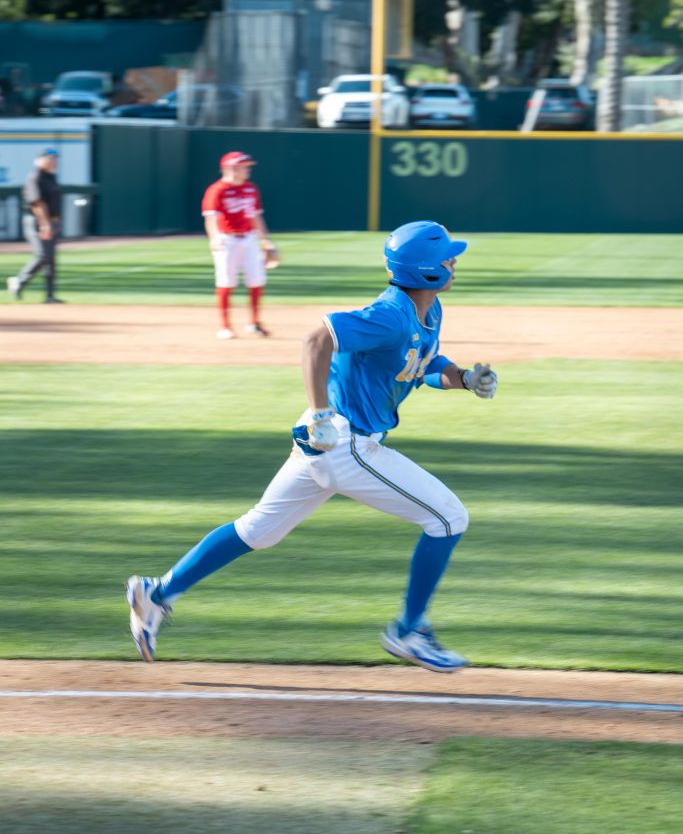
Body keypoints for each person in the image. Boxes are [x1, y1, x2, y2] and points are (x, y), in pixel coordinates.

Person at [126, 220, 498, 672]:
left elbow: (418, 362)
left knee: (259, 530)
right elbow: (317, 339)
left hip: (329, 442)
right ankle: (408, 631)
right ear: (424, 270)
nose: (453, 262)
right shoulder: (390, 315)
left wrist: (462, 378)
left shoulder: (428, 311)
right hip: (346, 443)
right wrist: (321, 411)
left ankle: (157, 593)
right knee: (448, 518)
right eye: (446, 257)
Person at [201, 150, 278, 339]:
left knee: (257, 280)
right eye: (244, 167)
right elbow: (211, 218)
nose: (247, 170)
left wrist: (266, 241)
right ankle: (225, 326)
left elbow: (256, 216)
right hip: (227, 240)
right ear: (231, 168)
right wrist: (214, 238)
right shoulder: (217, 190)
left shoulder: (251, 188)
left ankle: (254, 323)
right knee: (226, 281)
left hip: (249, 238)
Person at [7, 148, 64, 303]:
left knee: (50, 259)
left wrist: (55, 222)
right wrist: (45, 224)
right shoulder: (35, 177)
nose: (53, 161)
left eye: (55, 159)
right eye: (50, 158)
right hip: (35, 221)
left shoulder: (52, 177)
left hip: (51, 221)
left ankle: (50, 295)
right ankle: (19, 281)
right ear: (40, 160)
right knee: (42, 256)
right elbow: (37, 203)